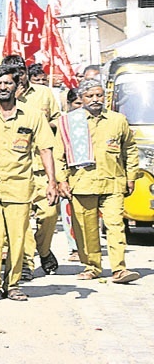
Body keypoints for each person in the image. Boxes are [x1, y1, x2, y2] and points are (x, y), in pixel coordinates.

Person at [0, 64, 60, 302]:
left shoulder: (33, 115)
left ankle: (14, 283)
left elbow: (45, 149)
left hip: (19, 184)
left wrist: (52, 182)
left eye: (8, 83)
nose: (3, 87)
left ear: (17, 86)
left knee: (18, 236)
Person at [59, 80, 140, 283]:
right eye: (90, 96)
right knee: (87, 228)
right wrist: (61, 181)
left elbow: (129, 149)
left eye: (99, 95)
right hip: (82, 184)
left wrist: (131, 176)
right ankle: (92, 266)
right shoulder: (71, 122)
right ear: (82, 98)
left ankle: (119, 269)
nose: (95, 100)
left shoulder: (118, 120)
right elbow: (58, 155)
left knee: (115, 225)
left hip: (112, 182)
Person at [5, 54, 63, 278]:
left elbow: (60, 121)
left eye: (21, 71)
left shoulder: (44, 93)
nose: (18, 76)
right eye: (12, 73)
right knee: (22, 220)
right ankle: (26, 264)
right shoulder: (4, 96)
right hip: (17, 167)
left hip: (42, 165)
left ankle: (45, 250)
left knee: (49, 214)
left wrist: (42, 124)